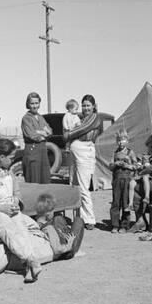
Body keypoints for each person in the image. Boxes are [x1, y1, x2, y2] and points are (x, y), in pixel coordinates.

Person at [0, 138, 42, 283]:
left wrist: (16, 201)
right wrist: (2, 208)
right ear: (1, 157)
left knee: (22, 230)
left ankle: (29, 267)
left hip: (10, 207)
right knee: (9, 231)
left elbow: (17, 191)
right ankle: (31, 261)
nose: (12, 161)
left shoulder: (8, 172)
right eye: (11, 158)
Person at [64, 94, 101, 230]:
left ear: (93, 106)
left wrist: (69, 134)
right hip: (76, 150)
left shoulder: (95, 118)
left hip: (85, 151)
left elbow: (80, 130)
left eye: (88, 105)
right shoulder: (80, 118)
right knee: (74, 184)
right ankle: (78, 216)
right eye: (84, 105)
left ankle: (90, 218)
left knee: (84, 186)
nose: (86, 108)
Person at [108, 130, 139, 233]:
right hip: (117, 180)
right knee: (116, 202)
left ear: (127, 140)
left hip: (127, 180)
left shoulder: (130, 152)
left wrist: (127, 165)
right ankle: (115, 224)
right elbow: (110, 166)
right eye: (119, 140)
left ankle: (124, 225)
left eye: (123, 140)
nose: (121, 142)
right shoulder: (114, 153)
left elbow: (136, 166)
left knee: (125, 203)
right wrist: (116, 164)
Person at [21, 92, 52, 183]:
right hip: (32, 151)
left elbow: (50, 131)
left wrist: (39, 132)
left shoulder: (41, 117)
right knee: (34, 180)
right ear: (28, 104)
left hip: (42, 151)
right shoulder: (26, 118)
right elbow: (31, 135)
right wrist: (42, 133)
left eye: (36, 103)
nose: (35, 106)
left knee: (44, 178)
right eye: (32, 103)